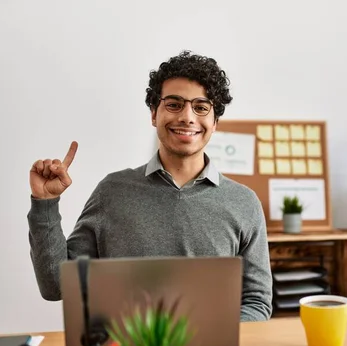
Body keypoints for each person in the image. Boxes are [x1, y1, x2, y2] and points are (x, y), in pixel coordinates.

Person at [27, 50, 273, 322]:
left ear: (214, 123)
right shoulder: (112, 192)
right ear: (154, 114)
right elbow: (56, 286)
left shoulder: (244, 202)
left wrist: (215, 338)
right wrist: (45, 204)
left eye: (201, 107)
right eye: (174, 104)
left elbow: (256, 302)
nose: (188, 117)